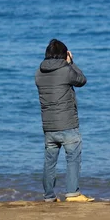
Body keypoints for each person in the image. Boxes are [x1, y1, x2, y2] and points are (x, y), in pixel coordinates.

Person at [35, 39, 94, 202]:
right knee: (73, 158)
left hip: (48, 126)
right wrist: (71, 63)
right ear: (64, 55)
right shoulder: (66, 70)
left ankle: (49, 196)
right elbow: (82, 80)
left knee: (49, 162)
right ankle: (72, 193)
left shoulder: (38, 73)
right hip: (68, 123)